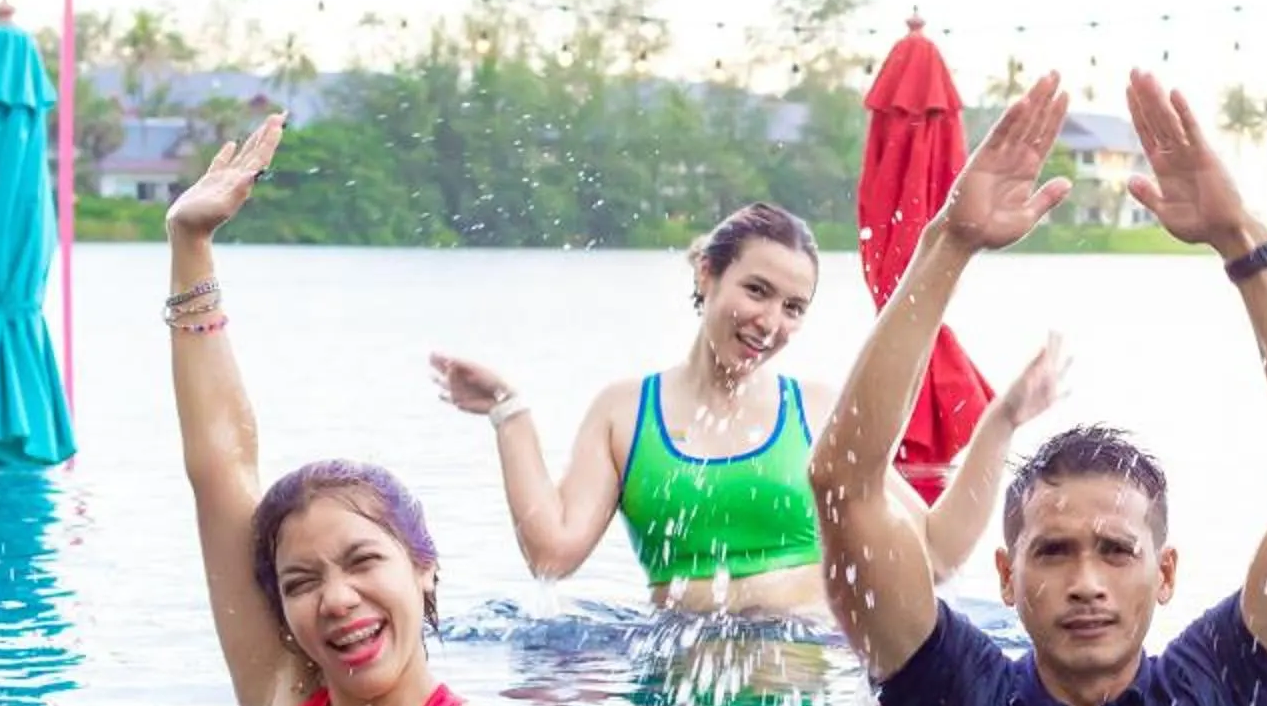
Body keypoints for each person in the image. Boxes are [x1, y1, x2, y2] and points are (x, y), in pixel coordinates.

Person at [810, 70, 1267, 706]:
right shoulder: (947, 694)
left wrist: (1243, 240)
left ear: (1165, 573)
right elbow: (844, 486)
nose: (1086, 582)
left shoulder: (1223, 689)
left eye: (1117, 550)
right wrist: (948, 243)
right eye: (1053, 551)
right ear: (1006, 576)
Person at [167, 114, 528, 706]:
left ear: (424, 571)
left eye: (364, 562)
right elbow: (220, 465)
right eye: (300, 582)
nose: (335, 599)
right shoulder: (281, 696)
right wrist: (190, 245)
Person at [428, 202, 1065, 617]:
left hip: (807, 683)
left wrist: (1001, 421)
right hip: (675, 687)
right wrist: (509, 412)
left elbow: (935, 553)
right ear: (707, 275)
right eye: (756, 291)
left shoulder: (815, 412)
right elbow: (552, 555)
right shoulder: (624, 412)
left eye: (793, 308)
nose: (769, 323)